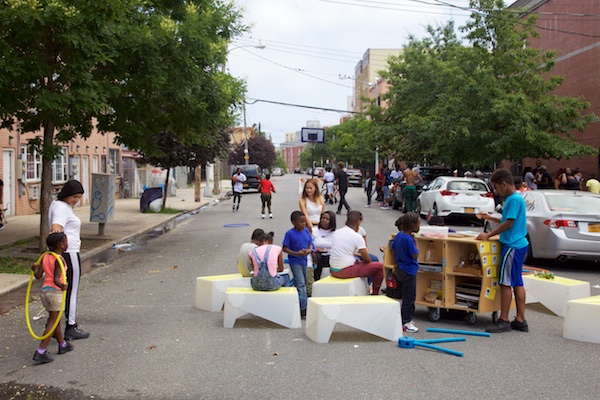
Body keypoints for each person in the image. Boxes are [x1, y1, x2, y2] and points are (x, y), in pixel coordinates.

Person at [476, 169, 529, 333]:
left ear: (504, 184)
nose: (496, 191)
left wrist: (489, 234)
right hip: (520, 244)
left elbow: (509, 223)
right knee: (517, 281)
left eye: (496, 187)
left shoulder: (512, 200)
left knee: (505, 283)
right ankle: (520, 319)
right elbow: (507, 219)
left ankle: (504, 319)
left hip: (511, 245)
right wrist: (489, 217)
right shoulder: (517, 198)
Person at [49, 180, 90, 340]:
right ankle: (71, 326)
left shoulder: (57, 205)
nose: (76, 200)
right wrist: (60, 250)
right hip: (69, 252)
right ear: (67, 194)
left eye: (79, 197)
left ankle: (54, 326)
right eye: (75, 197)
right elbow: (55, 228)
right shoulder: (62, 207)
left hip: (63, 253)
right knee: (71, 290)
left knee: (60, 290)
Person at [31, 232, 74, 363]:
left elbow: (38, 276)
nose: (67, 244)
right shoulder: (59, 259)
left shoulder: (45, 257)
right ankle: (41, 351)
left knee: (54, 319)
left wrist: (34, 268)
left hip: (44, 292)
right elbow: (56, 279)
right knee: (52, 321)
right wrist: (63, 285)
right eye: (66, 242)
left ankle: (63, 345)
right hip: (55, 293)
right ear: (61, 245)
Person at [329, 210, 384, 295]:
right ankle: (375, 293)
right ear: (359, 221)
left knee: (361, 263)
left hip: (333, 269)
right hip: (344, 270)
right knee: (379, 267)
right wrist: (366, 263)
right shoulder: (356, 236)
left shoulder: (337, 232)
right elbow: (366, 258)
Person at [391, 212, 421, 333]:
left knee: (406, 295)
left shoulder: (399, 236)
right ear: (413, 225)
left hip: (400, 268)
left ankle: (406, 319)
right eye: (419, 224)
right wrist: (417, 243)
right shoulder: (409, 239)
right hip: (409, 269)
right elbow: (415, 254)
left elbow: (392, 247)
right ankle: (406, 321)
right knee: (409, 297)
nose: (420, 226)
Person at [282, 211, 313, 318]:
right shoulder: (290, 234)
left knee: (304, 282)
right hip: (295, 261)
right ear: (293, 222)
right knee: (301, 283)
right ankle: (303, 308)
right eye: (301, 222)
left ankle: (299, 303)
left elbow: (310, 244)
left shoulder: (306, 231)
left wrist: (308, 250)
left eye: (304, 222)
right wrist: (296, 253)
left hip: (304, 260)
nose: (303, 224)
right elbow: (284, 248)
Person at [311, 211, 337, 281]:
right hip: (316, 255)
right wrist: (316, 249)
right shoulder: (313, 231)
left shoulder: (336, 233)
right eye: (323, 218)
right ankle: (316, 279)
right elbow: (309, 244)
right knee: (318, 258)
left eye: (327, 219)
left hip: (330, 255)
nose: (324, 220)